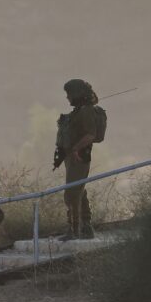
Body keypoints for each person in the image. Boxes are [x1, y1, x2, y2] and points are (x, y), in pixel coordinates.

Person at [57, 79, 100, 240]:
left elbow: (91, 134)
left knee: (72, 193)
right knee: (79, 191)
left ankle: (74, 230)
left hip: (80, 156)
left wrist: (75, 148)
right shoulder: (80, 110)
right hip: (73, 156)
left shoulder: (86, 111)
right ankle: (85, 227)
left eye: (69, 94)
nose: (67, 97)